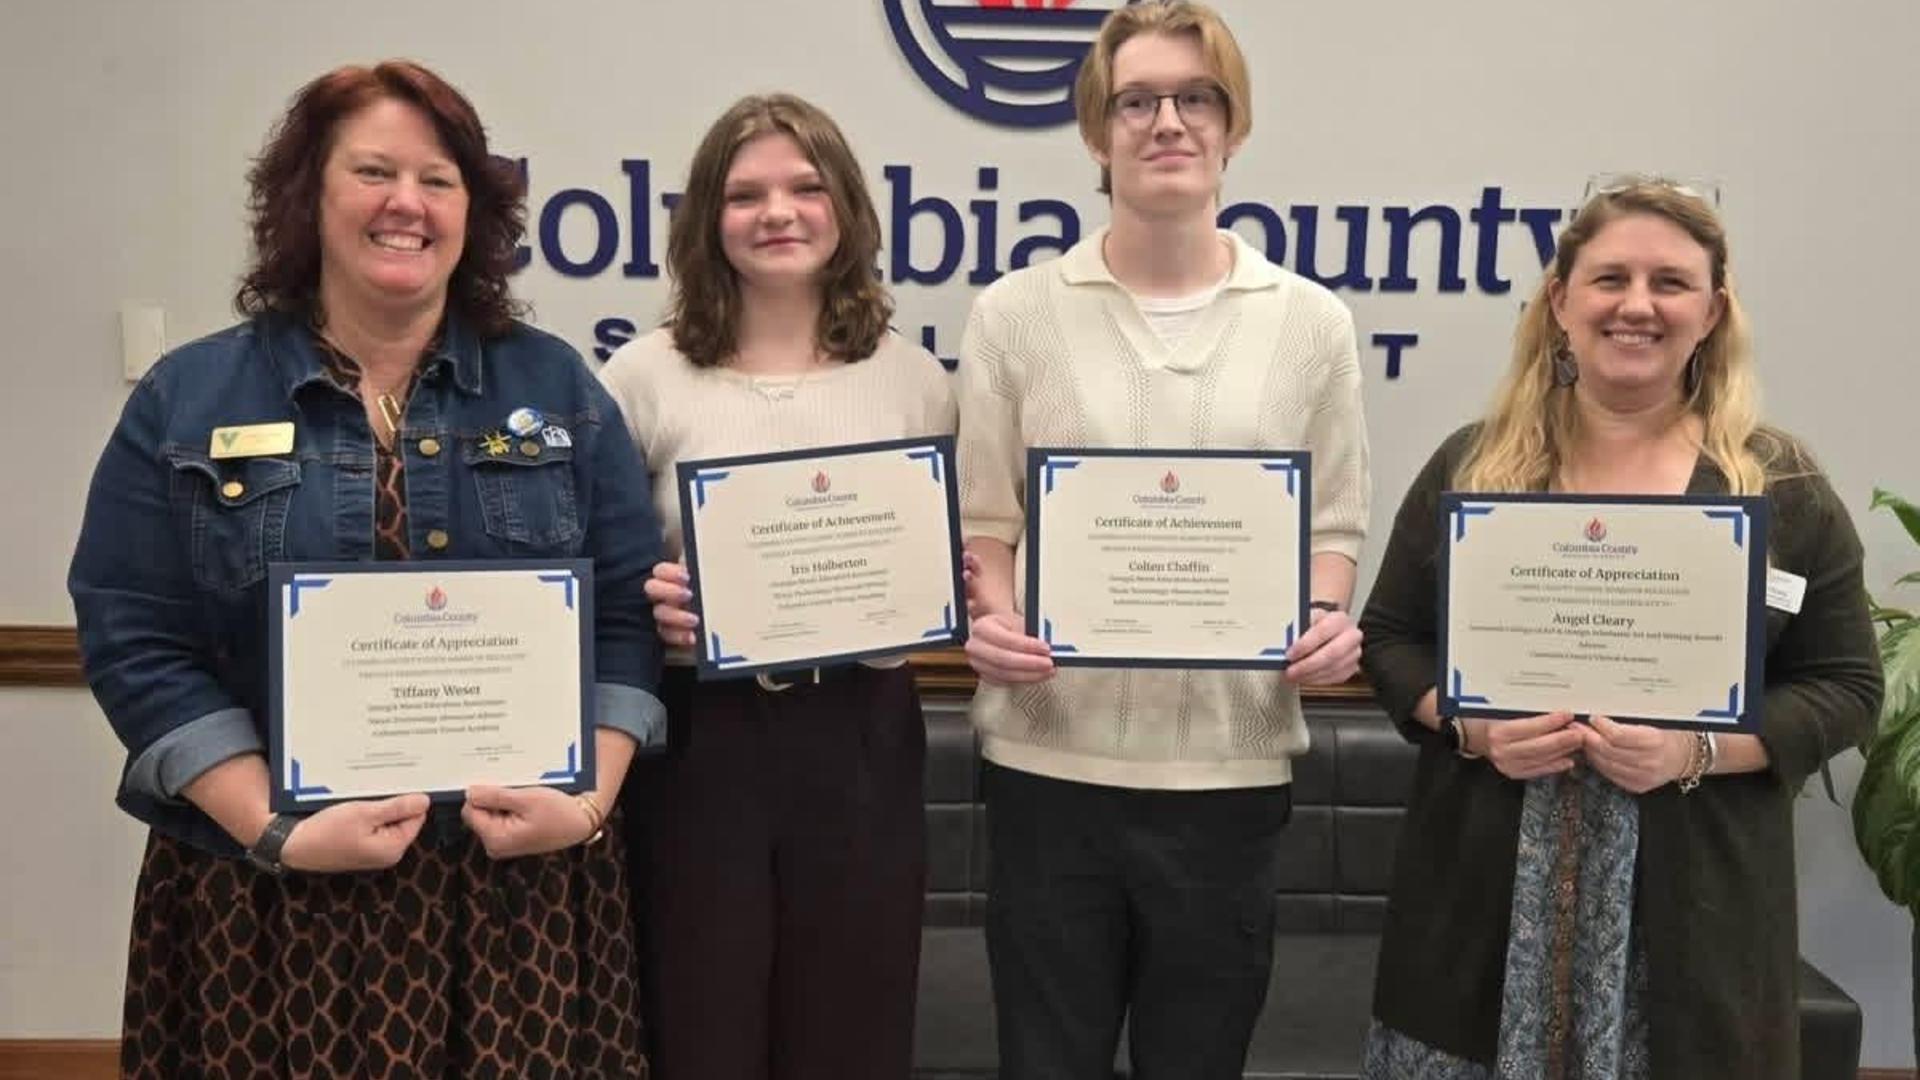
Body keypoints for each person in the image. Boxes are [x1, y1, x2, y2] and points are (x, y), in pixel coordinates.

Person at [68, 61, 663, 1077]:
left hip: (512, 904)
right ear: (310, 196)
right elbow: (134, 635)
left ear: (474, 210)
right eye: (373, 171)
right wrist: (271, 827)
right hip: (265, 901)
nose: (406, 203)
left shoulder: (556, 383)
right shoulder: (190, 395)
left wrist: (591, 802)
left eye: (438, 179)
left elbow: (623, 618)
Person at [1358, 179, 1883, 1079]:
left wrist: (1700, 752)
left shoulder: (1779, 487)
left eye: (1670, 283)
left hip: (1697, 914)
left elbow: (1846, 687)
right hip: (1482, 895)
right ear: (1560, 301)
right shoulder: (1474, 465)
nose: (1636, 305)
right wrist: (1470, 725)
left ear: (1713, 311)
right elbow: (1390, 638)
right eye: (1609, 278)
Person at [953, 3, 1371, 1076]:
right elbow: (986, 524)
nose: (1167, 122)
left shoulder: (1310, 322)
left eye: (1196, 98)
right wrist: (991, 622)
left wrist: (1324, 621)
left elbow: (1331, 525)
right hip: (1050, 765)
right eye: (1136, 100)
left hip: (1227, 776)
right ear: (1097, 132)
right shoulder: (1014, 313)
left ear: (1234, 127)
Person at [597, 93, 955, 1080]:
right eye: (746, 193)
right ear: (707, 218)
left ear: (844, 207)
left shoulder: (913, 378)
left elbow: (935, 554)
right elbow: (599, 574)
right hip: (701, 740)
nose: (778, 212)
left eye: (805, 187)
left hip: (862, 731)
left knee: (854, 1013)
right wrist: (646, 597)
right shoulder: (642, 376)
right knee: (698, 1009)